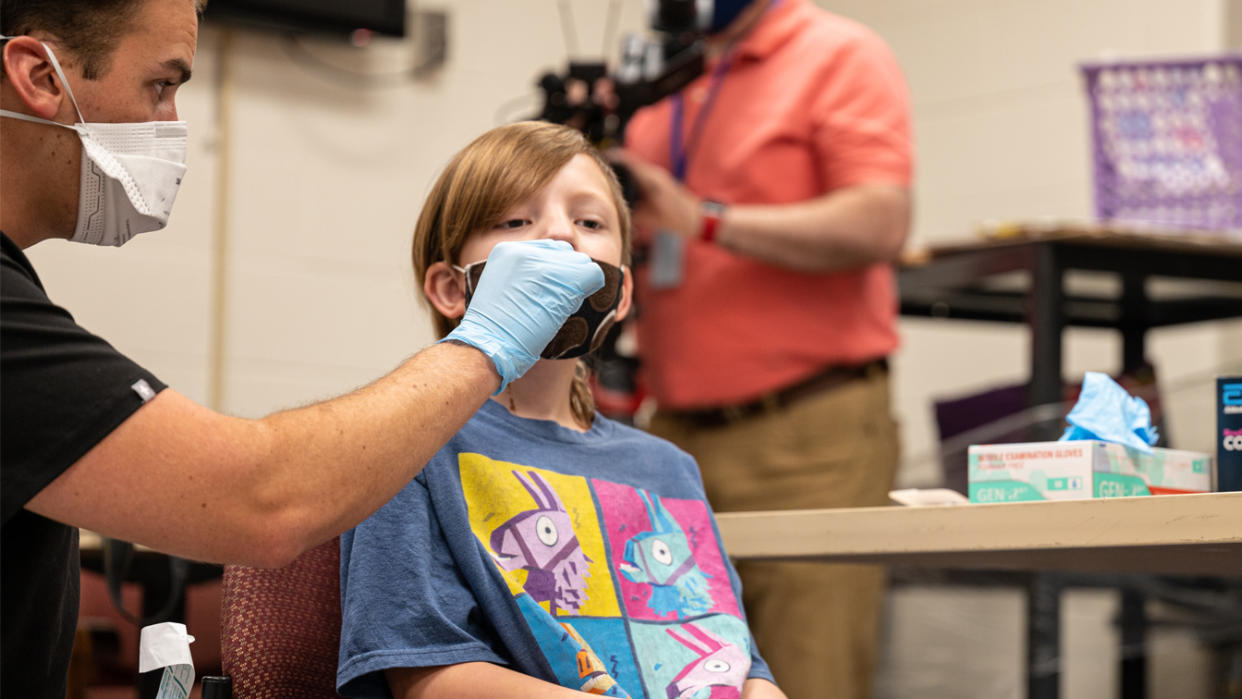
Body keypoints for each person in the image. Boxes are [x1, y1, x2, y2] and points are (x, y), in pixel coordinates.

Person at [0, 2, 605, 694]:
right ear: (39, 77)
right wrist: (488, 343)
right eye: (161, 86)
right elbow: (259, 497)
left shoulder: (665, 469)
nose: (172, 126)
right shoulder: (410, 470)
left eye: (591, 221)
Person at [336, 121, 786, 699]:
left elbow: (740, 664)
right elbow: (426, 673)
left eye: (590, 222)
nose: (560, 235)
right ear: (451, 288)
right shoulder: (407, 446)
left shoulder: (671, 469)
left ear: (622, 291)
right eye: (516, 221)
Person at [610, 0, 914, 697]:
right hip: (673, 439)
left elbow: (882, 219)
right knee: (670, 676)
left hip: (808, 436)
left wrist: (705, 221)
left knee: (810, 676)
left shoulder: (838, 52)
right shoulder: (667, 83)